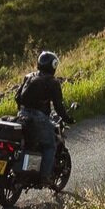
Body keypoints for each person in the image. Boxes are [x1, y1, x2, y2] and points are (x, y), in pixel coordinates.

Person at [12, 50, 69, 186]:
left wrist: (22, 111)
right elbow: (58, 106)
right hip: (39, 118)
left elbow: (17, 97)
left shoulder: (29, 76)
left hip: (22, 114)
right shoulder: (53, 82)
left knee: (29, 143)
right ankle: (45, 177)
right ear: (53, 66)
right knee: (50, 145)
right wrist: (68, 118)